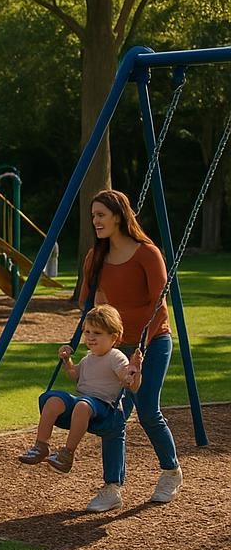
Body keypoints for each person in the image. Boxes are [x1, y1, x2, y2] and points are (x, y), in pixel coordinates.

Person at [78, 188, 182, 513]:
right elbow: (87, 302)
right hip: (116, 345)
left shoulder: (147, 254)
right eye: (93, 215)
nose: (95, 221)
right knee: (114, 415)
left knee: (147, 409)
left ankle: (171, 471)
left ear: (119, 217)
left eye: (100, 215)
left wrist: (140, 350)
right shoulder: (95, 258)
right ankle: (112, 487)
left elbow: (159, 307)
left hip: (153, 341)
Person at [18, 305, 137, 473]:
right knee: (52, 399)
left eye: (97, 333)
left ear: (114, 337)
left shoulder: (115, 356)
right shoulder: (89, 357)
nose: (90, 338)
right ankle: (41, 445)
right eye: (87, 332)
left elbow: (124, 375)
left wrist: (128, 375)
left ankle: (67, 453)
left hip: (103, 406)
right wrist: (67, 360)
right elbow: (74, 375)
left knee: (82, 405)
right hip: (83, 401)